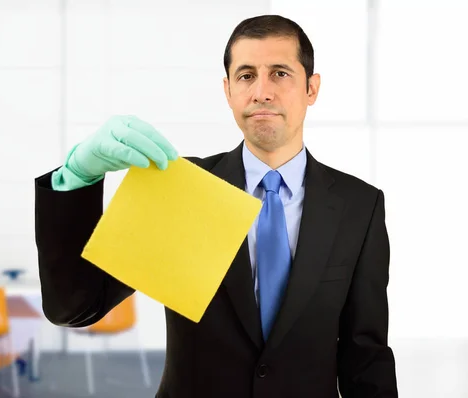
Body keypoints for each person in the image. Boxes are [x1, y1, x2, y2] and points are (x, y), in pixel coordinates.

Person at [34, 14, 398, 398]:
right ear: (228, 91)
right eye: (246, 76)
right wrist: (76, 178)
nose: (262, 91)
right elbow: (75, 307)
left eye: (279, 74)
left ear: (312, 87)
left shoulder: (360, 205)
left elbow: (365, 357)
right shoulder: (182, 188)